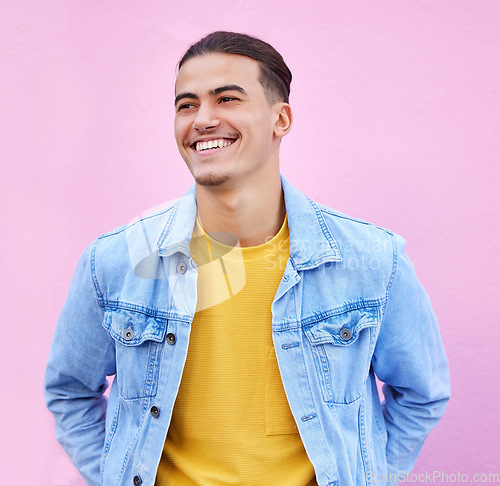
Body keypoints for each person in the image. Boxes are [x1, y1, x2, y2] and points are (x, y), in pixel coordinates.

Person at [44, 31, 450, 486]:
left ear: (281, 119)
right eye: (187, 105)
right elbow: (70, 390)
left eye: (227, 99)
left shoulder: (372, 259)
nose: (203, 119)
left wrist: (369, 476)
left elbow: (422, 394)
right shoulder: (116, 261)